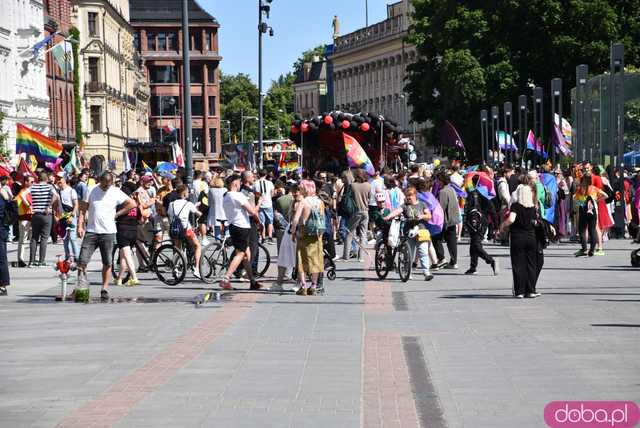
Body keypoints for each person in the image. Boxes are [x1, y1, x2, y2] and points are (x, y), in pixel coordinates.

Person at [77, 172, 136, 301]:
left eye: (108, 185)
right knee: (82, 261)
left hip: (108, 232)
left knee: (107, 262)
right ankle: (81, 287)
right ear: (100, 181)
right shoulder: (91, 189)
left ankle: (104, 288)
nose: (106, 188)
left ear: (111, 182)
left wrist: (117, 214)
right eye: (104, 185)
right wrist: (80, 226)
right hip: (91, 231)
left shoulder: (115, 191)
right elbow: (83, 209)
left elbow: (132, 204)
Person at [219, 174, 263, 290]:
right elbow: (252, 211)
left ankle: (252, 282)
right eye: (238, 182)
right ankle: (226, 278)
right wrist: (259, 203)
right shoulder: (238, 196)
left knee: (245, 255)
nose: (240, 185)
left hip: (233, 226)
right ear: (234, 183)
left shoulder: (226, 196)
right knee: (241, 254)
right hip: (242, 227)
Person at [499, 185, 541, 298]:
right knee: (531, 264)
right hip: (531, 238)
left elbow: (511, 219)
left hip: (518, 237)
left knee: (518, 264)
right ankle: (531, 290)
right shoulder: (533, 207)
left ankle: (520, 291)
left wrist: (503, 225)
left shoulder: (516, 206)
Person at [385, 186, 434, 281]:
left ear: (415, 195)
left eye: (410, 196)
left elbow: (429, 216)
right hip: (408, 232)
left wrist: (422, 216)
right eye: (407, 196)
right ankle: (408, 272)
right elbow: (397, 211)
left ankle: (426, 272)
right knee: (408, 253)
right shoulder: (405, 205)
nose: (408, 198)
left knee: (423, 252)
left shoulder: (422, 204)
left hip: (421, 231)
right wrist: (388, 216)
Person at [291, 179, 326, 295]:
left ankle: (303, 286)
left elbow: (296, 219)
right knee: (316, 259)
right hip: (317, 234)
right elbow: (322, 218)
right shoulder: (320, 202)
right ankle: (314, 286)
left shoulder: (303, 202)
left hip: (303, 232)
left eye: (301, 188)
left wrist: (293, 231)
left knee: (302, 259)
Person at [464, 175, 498, 275]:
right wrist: (496, 225)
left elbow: (468, 210)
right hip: (483, 222)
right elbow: (492, 210)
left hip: (475, 222)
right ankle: (473, 267)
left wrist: (467, 222)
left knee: (476, 244)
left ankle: (491, 261)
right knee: (474, 244)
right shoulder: (486, 194)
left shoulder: (472, 193)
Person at [168, 184, 203, 278]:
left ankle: (175, 268)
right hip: (186, 229)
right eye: (187, 192)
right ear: (184, 193)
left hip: (175, 229)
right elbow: (198, 214)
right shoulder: (188, 204)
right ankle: (197, 269)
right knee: (197, 246)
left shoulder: (171, 204)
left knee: (177, 248)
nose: (188, 194)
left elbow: (170, 215)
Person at [271, 185, 302, 292]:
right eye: (294, 191)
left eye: (297, 191)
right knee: (283, 256)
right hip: (290, 231)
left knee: (299, 258)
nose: (295, 193)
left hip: (298, 231)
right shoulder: (293, 202)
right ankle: (279, 282)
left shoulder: (303, 203)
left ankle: (299, 282)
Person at [339, 169, 371, 261]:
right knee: (363, 234)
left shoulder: (352, 186)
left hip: (355, 211)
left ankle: (346, 256)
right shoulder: (368, 186)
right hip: (365, 211)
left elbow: (349, 197)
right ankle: (361, 257)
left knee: (350, 233)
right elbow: (369, 198)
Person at [29, 171, 59, 267]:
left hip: (35, 214)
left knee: (34, 238)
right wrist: (49, 205)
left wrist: (30, 205)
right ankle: (41, 261)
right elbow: (56, 196)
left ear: (38, 178)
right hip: (46, 215)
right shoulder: (49, 187)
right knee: (44, 238)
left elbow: (25, 194)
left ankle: (32, 261)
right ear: (46, 179)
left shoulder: (33, 186)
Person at [574, 174, 608, 257]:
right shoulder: (594, 188)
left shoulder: (580, 189)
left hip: (583, 211)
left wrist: (581, 203)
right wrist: (597, 200)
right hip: (593, 211)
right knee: (592, 230)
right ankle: (592, 250)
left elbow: (574, 198)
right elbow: (606, 195)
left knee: (582, 230)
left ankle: (584, 249)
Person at [114, 181, 141, 286]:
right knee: (123, 256)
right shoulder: (134, 203)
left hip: (123, 230)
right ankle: (119, 279)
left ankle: (134, 277)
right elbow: (140, 218)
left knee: (127, 255)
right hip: (134, 231)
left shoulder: (120, 204)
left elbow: (114, 214)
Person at [433, 172, 460, 269]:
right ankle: (454, 261)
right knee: (452, 241)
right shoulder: (451, 189)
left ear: (442, 181)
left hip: (446, 220)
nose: (437, 182)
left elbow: (441, 207)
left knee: (436, 238)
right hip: (453, 218)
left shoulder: (442, 192)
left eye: (438, 180)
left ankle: (441, 258)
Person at [57, 173, 79, 263]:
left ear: (65, 179)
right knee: (65, 238)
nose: (58, 180)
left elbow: (76, 205)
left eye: (60, 178)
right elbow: (56, 205)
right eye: (57, 178)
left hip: (70, 216)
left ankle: (77, 257)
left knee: (72, 237)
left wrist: (72, 216)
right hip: (62, 217)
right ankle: (67, 257)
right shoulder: (58, 191)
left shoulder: (71, 191)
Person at [15, 175, 33, 267]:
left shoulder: (30, 191)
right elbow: (20, 197)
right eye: (31, 182)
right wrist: (28, 205)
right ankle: (21, 259)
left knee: (32, 240)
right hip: (24, 218)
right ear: (26, 182)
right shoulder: (23, 191)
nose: (33, 184)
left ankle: (32, 259)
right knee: (23, 240)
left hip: (31, 218)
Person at [254, 169, 275, 243]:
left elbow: (255, 194)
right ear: (266, 175)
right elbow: (272, 193)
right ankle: (270, 237)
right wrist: (268, 197)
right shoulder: (270, 183)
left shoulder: (255, 183)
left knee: (261, 222)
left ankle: (263, 237)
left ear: (259, 175)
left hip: (260, 205)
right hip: (268, 204)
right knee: (270, 221)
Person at [0, 181, 11, 295]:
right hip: (3, 229)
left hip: (1, 229)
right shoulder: (5, 195)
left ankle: (3, 286)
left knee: (1, 258)